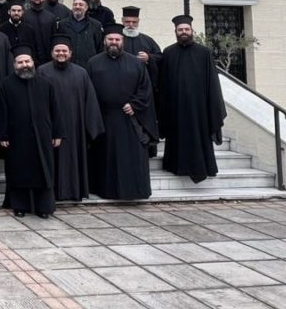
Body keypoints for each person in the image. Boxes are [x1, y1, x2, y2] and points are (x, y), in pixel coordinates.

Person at [85, 25, 158, 200]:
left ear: (122, 42)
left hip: (130, 119)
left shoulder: (136, 63)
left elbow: (145, 89)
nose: (114, 42)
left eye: (117, 39)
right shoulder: (93, 63)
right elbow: (88, 91)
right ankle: (105, 190)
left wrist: (134, 105)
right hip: (104, 118)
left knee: (130, 157)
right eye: (110, 39)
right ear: (104, 41)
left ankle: (134, 191)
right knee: (105, 157)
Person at [159, 15, 227, 183]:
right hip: (175, 107)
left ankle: (202, 167)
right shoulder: (168, 52)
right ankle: (176, 166)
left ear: (192, 31)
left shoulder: (204, 53)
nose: (183, 32)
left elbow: (212, 82)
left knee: (199, 137)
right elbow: (163, 82)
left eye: (186, 29)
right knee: (176, 136)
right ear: (175, 32)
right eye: (180, 30)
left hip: (199, 109)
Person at [0, 45, 60, 218]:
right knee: (19, 171)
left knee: (43, 171)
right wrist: (2, 134)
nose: (24, 65)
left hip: (43, 135)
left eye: (27, 61)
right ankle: (20, 206)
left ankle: (43, 207)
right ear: (15, 65)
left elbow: (55, 110)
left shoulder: (45, 83)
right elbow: (1, 112)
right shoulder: (6, 84)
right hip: (17, 137)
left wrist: (57, 133)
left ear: (33, 63)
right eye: (20, 62)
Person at [37, 34, 104, 202]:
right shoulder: (42, 72)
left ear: (70, 53)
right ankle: (52, 193)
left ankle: (73, 191)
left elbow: (90, 101)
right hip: (50, 127)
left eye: (64, 51)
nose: (61, 53)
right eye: (57, 50)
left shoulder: (81, 73)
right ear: (52, 52)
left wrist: (92, 127)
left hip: (76, 127)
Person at [55, 0, 104, 68]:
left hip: (88, 66)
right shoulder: (63, 24)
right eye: (75, 4)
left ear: (86, 7)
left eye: (81, 5)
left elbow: (99, 47)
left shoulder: (96, 25)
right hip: (67, 66)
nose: (77, 7)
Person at [22, 0, 58, 66]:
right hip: (29, 57)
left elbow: (54, 38)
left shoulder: (51, 17)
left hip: (48, 57)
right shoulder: (24, 16)